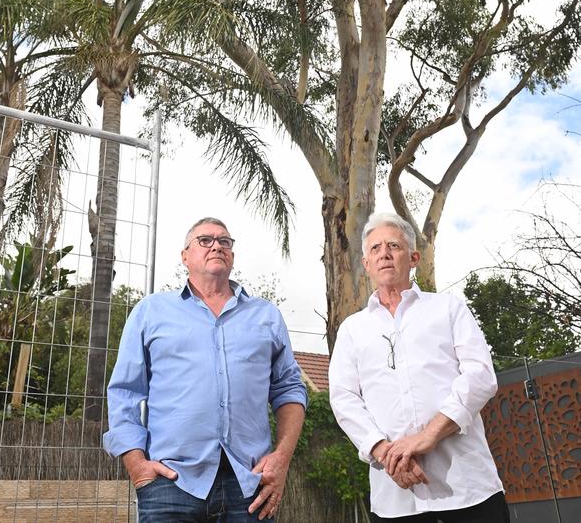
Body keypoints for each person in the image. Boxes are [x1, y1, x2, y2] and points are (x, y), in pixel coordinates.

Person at [104, 216, 307, 522]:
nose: (217, 246)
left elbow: (290, 389)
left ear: (233, 256)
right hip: (170, 484)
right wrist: (137, 465)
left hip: (250, 485)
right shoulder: (151, 312)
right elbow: (124, 393)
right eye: (205, 240)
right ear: (185, 256)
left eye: (224, 241)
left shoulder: (265, 316)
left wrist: (281, 458)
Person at [329, 211, 508, 522]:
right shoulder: (351, 330)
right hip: (395, 498)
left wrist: (429, 436)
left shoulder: (448, 308)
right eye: (375, 248)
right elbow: (344, 398)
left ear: (413, 257)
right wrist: (385, 452)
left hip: (467, 487)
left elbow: (480, 376)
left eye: (393, 246)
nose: (384, 253)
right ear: (365, 264)